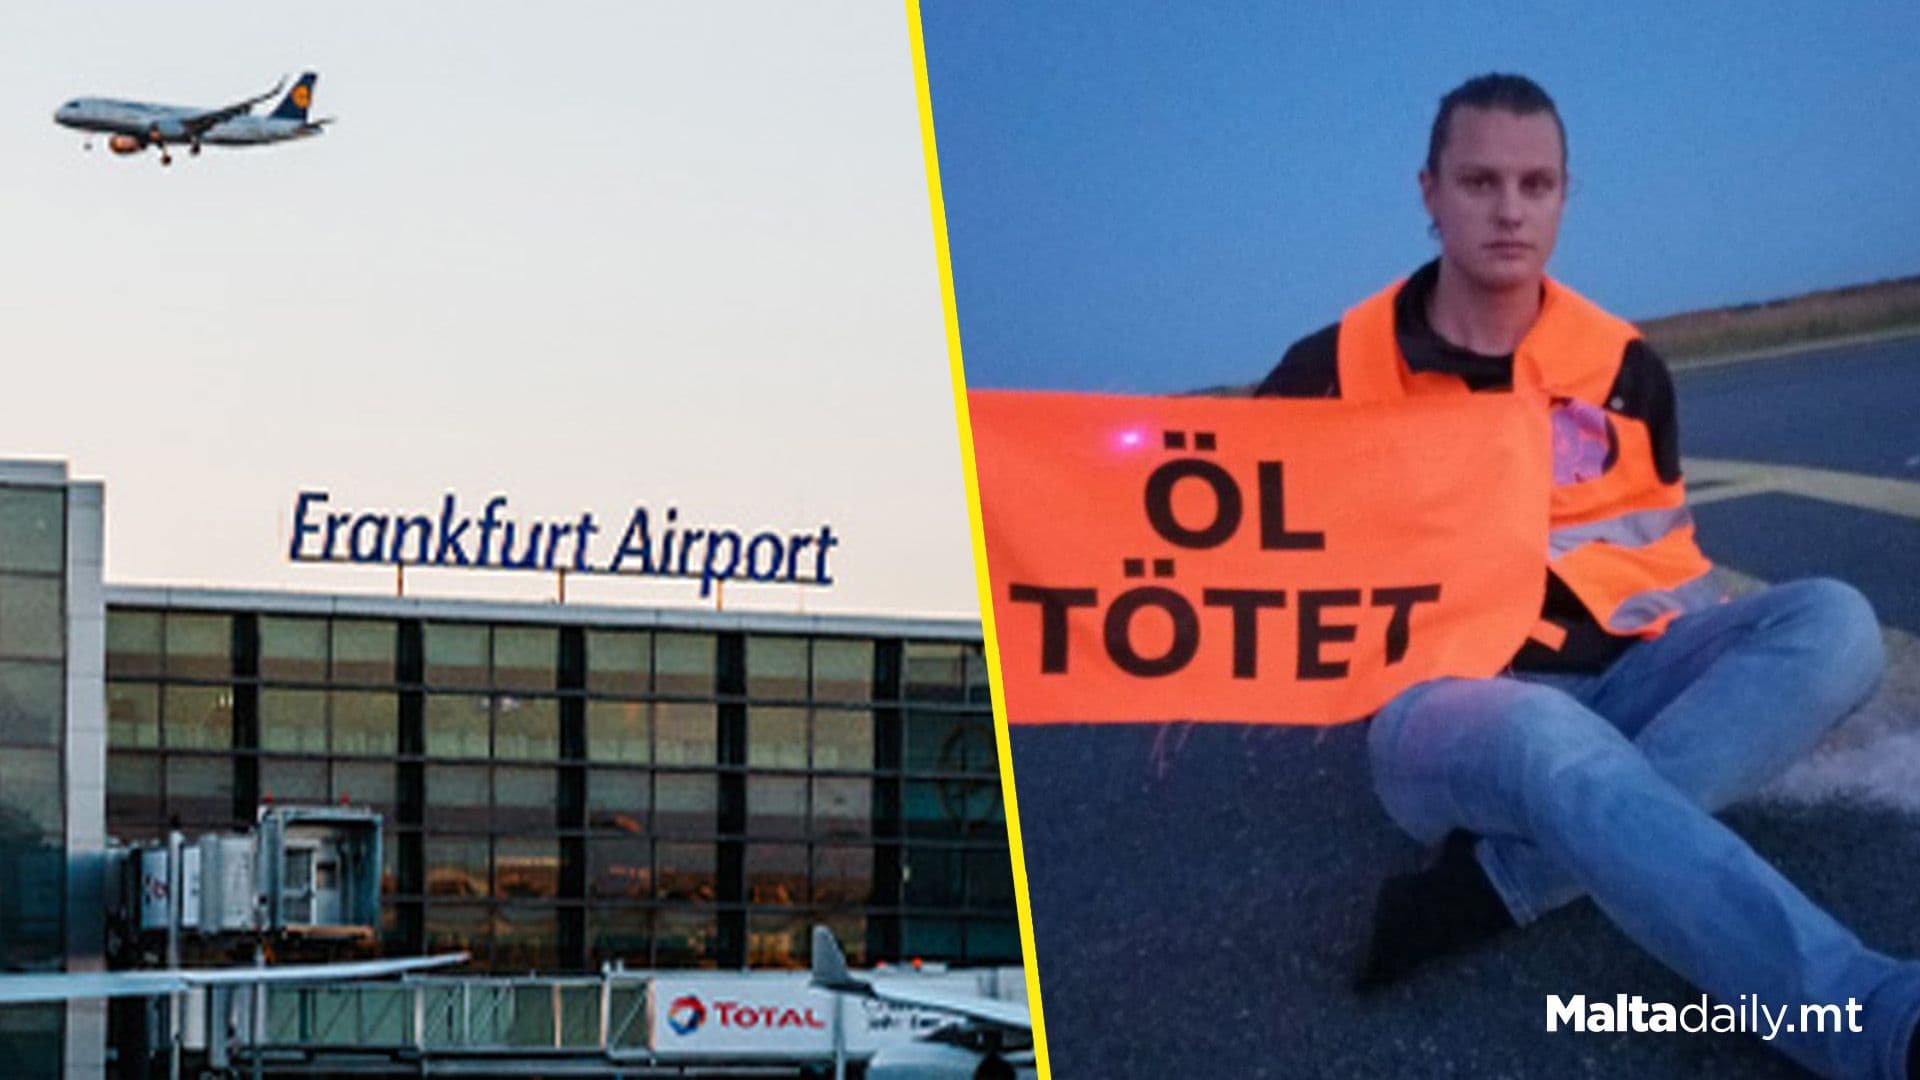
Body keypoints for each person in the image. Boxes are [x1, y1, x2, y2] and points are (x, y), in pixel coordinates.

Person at [1256, 73, 1920, 1080]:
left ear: (1568, 194)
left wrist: (1712, 656)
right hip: (1444, 704)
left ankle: (1512, 880)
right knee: (1548, 735)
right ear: (1428, 192)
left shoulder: (1621, 363)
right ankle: (1870, 1017)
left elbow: (1661, 552)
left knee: (1836, 623)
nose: (1510, 208)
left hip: (1626, 675)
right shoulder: (1332, 367)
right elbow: (1214, 532)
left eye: (1536, 183)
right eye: (1480, 181)